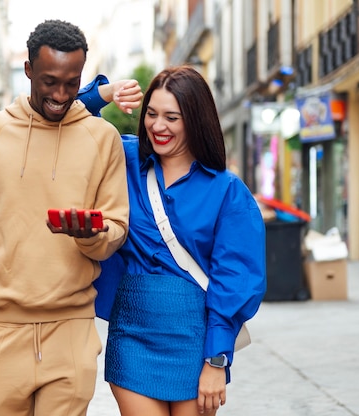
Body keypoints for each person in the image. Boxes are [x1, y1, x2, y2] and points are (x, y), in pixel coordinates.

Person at [0, 20, 131, 416]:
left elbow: (116, 228)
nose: (61, 94)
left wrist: (90, 234)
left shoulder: (102, 139)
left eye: (72, 83)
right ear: (29, 69)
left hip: (70, 331)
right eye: (50, 81)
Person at [79, 67, 266, 416]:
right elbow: (65, 117)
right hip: (131, 333)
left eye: (171, 117)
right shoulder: (124, 159)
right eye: (151, 114)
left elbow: (237, 279)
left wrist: (216, 360)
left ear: (194, 120)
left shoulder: (227, 191)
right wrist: (104, 93)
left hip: (196, 340)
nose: (157, 126)